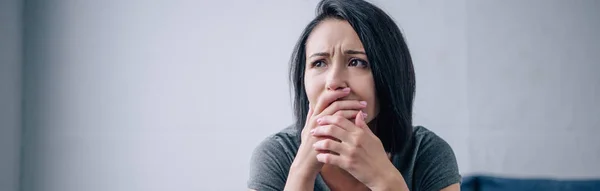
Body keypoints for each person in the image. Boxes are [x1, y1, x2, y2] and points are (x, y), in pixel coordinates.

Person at [248, 0, 461, 190]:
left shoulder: (427, 154)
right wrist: (302, 172)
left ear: (390, 75)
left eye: (357, 62)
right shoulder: (276, 155)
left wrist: (384, 180)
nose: (333, 82)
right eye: (319, 63)